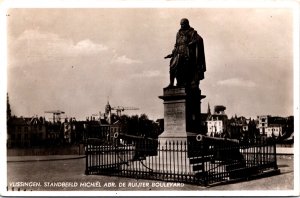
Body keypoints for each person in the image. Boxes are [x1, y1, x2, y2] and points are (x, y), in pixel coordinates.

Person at [165, 18, 206, 89]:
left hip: (188, 54)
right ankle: (171, 83)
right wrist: (172, 54)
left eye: (183, 24)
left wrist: (191, 43)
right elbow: (176, 45)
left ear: (187, 24)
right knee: (172, 66)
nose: (182, 26)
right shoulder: (178, 33)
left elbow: (199, 39)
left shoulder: (192, 32)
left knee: (184, 66)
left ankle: (185, 83)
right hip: (178, 53)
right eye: (181, 24)